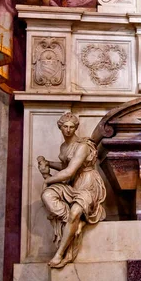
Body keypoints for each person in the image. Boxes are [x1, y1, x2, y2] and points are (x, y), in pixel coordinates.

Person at [37, 112, 106, 268]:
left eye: (71, 127)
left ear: (76, 128)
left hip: (88, 184)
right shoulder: (64, 146)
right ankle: (73, 223)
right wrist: (48, 163)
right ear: (60, 127)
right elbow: (65, 167)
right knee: (47, 194)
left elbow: (69, 172)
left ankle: (60, 254)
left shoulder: (82, 146)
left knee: (75, 212)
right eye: (65, 127)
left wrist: (48, 179)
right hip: (74, 184)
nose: (68, 130)